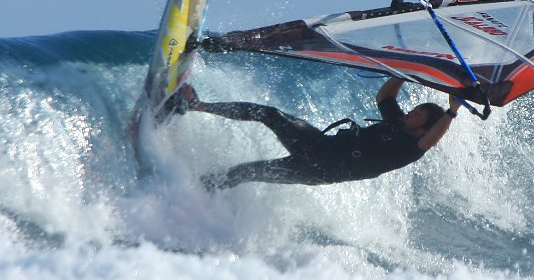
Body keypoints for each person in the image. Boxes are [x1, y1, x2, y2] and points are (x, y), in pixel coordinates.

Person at [180, 77, 461, 191]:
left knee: (246, 172)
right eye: (415, 109)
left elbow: (431, 140)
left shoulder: (410, 148)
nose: (411, 112)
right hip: (318, 145)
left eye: (419, 114)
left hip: (317, 170)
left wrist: (451, 112)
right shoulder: (397, 123)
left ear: (425, 126)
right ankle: (196, 105)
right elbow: (385, 97)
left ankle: (198, 189)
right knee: (270, 114)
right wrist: (405, 72)